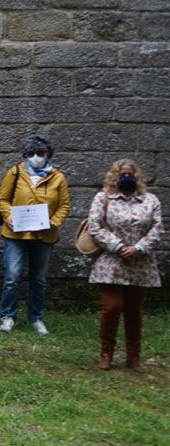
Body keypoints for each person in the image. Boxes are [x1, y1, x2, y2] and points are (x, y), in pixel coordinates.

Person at [87, 159, 162, 372]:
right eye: (122, 174)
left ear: (137, 176)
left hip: (140, 263)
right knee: (111, 308)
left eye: (130, 173)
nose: (126, 177)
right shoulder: (103, 198)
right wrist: (118, 246)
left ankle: (133, 356)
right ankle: (106, 353)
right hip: (112, 262)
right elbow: (95, 226)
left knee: (134, 310)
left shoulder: (150, 200)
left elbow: (157, 229)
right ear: (115, 176)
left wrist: (137, 248)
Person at [0, 135, 70, 335]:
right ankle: (8, 316)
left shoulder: (58, 177)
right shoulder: (15, 173)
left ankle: (36, 317)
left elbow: (64, 206)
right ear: (25, 155)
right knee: (12, 277)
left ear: (48, 155)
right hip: (16, 235)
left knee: (38, 279)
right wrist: (8, 216)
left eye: (40, 153)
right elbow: (3, 200)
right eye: (31, 154)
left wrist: (52, 223)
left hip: (44, 236)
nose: (35, 157)